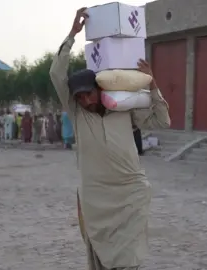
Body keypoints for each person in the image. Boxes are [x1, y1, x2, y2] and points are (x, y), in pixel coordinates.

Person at [49, 8, 170, 270]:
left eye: (88, 94)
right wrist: (72, 35)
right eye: (79, 97)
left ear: (99, 90)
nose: (84, 100)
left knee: (129, 257)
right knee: (100, 257)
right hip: (96, 198)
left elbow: (163, 120)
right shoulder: (78, 113)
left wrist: (152, 85)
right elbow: (56, 75)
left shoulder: (123, 108)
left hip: (129, 193)